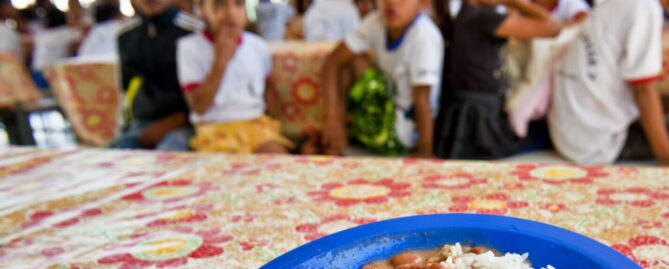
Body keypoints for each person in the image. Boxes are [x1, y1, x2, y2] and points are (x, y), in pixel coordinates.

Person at [549, 0, 669, 166]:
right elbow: (644, 90)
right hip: (597, 144)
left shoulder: (613, 4)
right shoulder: (645, 8)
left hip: (566, 135)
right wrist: (667, 156)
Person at [434, 0, 559, 159]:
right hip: (483, 123)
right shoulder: (484, 18)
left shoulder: (467, 15)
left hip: (466, 115)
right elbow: (552, 27)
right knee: (546, 135)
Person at [320, 0, 444, 157]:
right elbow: (333, 61)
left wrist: (425, 150)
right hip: (384, 110)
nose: (391, 3)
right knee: (347, 61)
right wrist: (332, 119)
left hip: (402, 134)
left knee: (357, 61)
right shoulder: (376, 21)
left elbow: (423, 97)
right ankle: (336, 135)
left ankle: (339, 140)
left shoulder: (424, 35)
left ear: (423, 3)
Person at [176, 0, 293, 153]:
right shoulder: (190, 47)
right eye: (219, 5)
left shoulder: (257, 46)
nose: (231, 13)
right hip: (213, 129)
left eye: (238, 4)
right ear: (200, 8)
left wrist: (275, 125)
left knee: (277, 161)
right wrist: (221, 61)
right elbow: (199, 106)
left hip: (255, 125)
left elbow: (268, 91)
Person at [109, 0, 202, 151]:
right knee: (114, 155)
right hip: (143, 123)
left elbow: (204, 95)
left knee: (168, 153)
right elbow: (125, 91)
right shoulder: (125, 35)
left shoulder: (193, 32)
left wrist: (174, 121)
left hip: (187, 124)